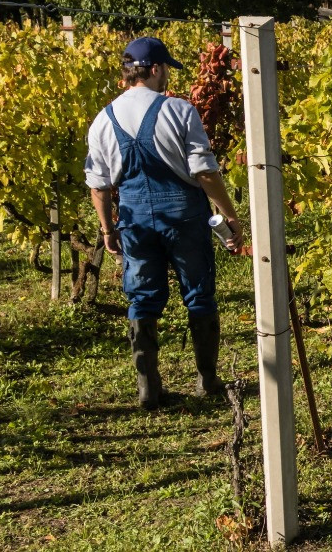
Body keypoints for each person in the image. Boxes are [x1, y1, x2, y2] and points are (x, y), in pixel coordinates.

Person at [85, 36, 243, 411]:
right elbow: (204, 172)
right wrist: (229, 213)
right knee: (199, 294)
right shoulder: (179, 110)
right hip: (184, 216)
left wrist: (108, 229)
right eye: (166, 67)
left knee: (142, 299)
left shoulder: (103, 120)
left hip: (135, 219)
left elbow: (99, 186)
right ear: (154, 69)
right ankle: (207, 380)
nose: (168, 74)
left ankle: (149, 390)